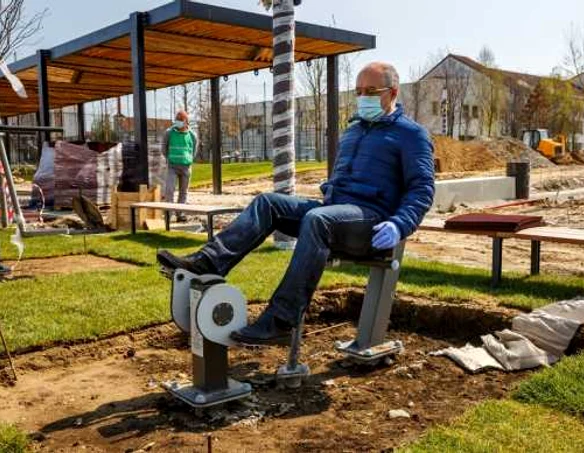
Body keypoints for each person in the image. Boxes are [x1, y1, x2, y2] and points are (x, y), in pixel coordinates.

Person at [157, 62, 435, 346]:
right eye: (359, 91)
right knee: (268, 203)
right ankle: (208, 263)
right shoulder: (353, 130)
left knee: (318, 220)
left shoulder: (411, 134)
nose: (363, 97)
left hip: (372, 223)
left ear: (393, 92)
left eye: (371, 91)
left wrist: (399, 224)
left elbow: (422, 189)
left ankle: (281, 321)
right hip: (336, 211)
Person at [162, 110, 197, 222]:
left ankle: (180, 214)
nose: (178, 122)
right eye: (177, 120)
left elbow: (194, 150)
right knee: (169, 189)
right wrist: (169, 158)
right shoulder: (169, 132)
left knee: (183, 191)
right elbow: (164, 148)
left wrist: (189, 159)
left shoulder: (192, 135)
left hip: (186, 167)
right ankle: (169, 214)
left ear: (186, 121)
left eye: (180, 120)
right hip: (172, 166)